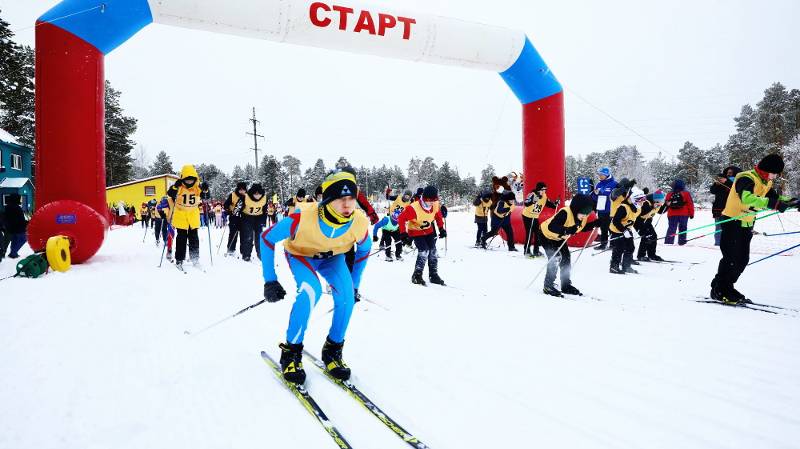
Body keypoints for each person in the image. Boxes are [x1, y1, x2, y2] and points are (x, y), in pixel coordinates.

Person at [260, 169, 371, 384]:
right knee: (311, 291)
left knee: (347, 297)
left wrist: (355, 283)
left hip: (333, 258)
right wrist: (270, 280)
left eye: (351, 199)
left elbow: (364, 249)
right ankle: (291, 353)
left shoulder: (358, 222)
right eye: (341, 199)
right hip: (301, 255)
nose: (348, 205)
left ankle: (333, 350)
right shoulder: (303, 217)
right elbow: (267, 238)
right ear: (328, 199)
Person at [711, 154, 798, 303]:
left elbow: (774, 198)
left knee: (742, 260)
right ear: (767, 170)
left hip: (747, 223)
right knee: (731, 258)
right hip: (732, 221)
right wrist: (774, 204)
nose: (775, 176)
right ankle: (721, 289)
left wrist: (793, 202)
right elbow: (747, 198)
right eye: (774, 173)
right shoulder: (746, 178)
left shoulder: (765, 182)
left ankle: (724, 286)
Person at [539, 194, 599, 297]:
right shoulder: (565, 213)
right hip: (546, 235)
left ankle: (566, 285)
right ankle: (548, 285)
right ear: (576, 209)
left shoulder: (582, 217)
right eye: (583, 213)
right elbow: (552, 227)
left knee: (566, 258)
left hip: (560, 238)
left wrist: (595, 224)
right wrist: (567, 230)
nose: (584, 216)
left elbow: (580, 228)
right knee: (555, 258)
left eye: (587, 214)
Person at [398, 185, 446, 286]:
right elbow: (401, 218)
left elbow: (438, 215)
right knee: (424, 251)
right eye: (429, 200)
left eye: (434, 200)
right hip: (416, 231)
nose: (432, 202)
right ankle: (417, 275)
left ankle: (433, 275)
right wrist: (403, 234)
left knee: (433, 251)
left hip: (428, 231)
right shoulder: (413, 208)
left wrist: (441, 229)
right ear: (424, 198)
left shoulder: (435, 205)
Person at [167, 165, 210, 270]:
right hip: (181, 214)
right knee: (181, 238)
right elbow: (170, 193)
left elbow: (206, 197)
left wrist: (206, 190)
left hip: (193, 215)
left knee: (194, 238)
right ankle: (179, 259)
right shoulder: (180, 186)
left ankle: (195, 258)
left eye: (191, 180)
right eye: (187, 180)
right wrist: (175, 187)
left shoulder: (197, 187)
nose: (189, 182)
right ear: (183, 178)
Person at [608, 179, 640, 274]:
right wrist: (625, 186)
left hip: (626, 220)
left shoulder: (627, 194)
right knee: (619, 246)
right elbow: (617, 193)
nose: (627, 190)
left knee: (630, 246)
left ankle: (626, 264)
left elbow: (632, 201)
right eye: (626, 187)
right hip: (615, 219)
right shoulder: (614, 192)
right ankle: (614, 265)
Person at [521, 182, 558, 257]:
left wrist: (555, 204)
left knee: (537, 234)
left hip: (535, 216)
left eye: (545, 189)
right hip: (528, 216)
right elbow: (526, 203)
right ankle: (526, 251)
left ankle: (536, 251)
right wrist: (532, 201)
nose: (544, 191)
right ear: (538, 189)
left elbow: (548, 203)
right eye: (542, 189)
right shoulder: (533, 194)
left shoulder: (544, 196)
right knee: (530, 234)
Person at [710, 166, 742, 246]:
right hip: (718, 209)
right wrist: (716, 184)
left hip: (732, 209)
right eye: (727, 173)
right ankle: (718, 243)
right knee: (718, 227)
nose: (728, 174)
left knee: (731, 228)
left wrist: (727, 181)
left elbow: (736, 190)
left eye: (730, 173)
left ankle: (731, 244)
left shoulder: (738, 181)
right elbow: (712, 191)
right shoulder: (721, 181)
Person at [591, 167, 619, 250]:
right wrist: (595, 194)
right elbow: (595, 198)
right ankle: (603, 244)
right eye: (599, 174)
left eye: (601, 174)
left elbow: (618, 196)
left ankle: (613, 244)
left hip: (610, 210)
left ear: (606, 174)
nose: (599, 176)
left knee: (611, 228)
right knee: (603, 228)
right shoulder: (599, 184)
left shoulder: (614, 184)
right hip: (601, 209)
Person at [635, 190, 667, 261]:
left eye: (661, 201)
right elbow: (642, 213)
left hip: (647, 222)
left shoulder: (658, 203)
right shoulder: (646, 202)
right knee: (646, 236)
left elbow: (660, 211)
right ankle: (641, 255)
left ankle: (652, 254)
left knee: (653, 236)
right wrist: (652, 207)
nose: (660, 203)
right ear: (655, 199)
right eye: (658, 201)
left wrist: (666, 205)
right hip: (638, 222)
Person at [240, 183, 268, 261]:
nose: (257, 195)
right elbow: (239, 208)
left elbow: (265, 210)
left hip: (258, 217)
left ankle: (260, 254)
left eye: (259, 193)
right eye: (255, 193)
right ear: (252, 193)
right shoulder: (245, 197)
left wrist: (263, 221)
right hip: (247, 217)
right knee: (248, 236)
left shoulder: (264, 198)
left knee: (259, 237)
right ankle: (246, 254)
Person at [664, 179, 695, 245]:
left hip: (672, 214)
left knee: (671, 228)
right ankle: (682, 242)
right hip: (684, 214)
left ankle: (668, 242)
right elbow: (690, 204)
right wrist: (691, 214)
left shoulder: (669, 193)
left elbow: (667, 204)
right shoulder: (686, 193)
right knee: (683, 228)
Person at [223, 182, 248, 256]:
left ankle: (244, 251)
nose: (242, 191)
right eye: (240, 189)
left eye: (243, 189)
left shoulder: (247, 196)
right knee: (233, 233)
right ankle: (231, 249)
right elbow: (226, 205)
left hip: (244, 217)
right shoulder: (233, 195)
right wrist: (229, 211)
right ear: (238, 189)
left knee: (244, 235)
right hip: (234, 217)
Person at [1, 194, 28, 259]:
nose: (20, 200)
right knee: (23, 239)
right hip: (19, 228)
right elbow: (20, 219)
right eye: (19, 199)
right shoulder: (17, 208)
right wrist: (26, 223)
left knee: (12, 240)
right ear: (16, 199)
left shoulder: (7, 207)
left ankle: (9, 253)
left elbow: (6, 217)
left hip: (9, 228)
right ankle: (13, 253)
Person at [155, 195, 174, 260]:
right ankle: (169, 247)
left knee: (168, 232)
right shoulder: (160, 204)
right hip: (170, 219)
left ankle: (169, 247)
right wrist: (163, 216)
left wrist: (163, 215)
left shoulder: (160, 204)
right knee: (169, 232)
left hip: (170, 219)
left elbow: (159, 209)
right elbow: (159, 210)